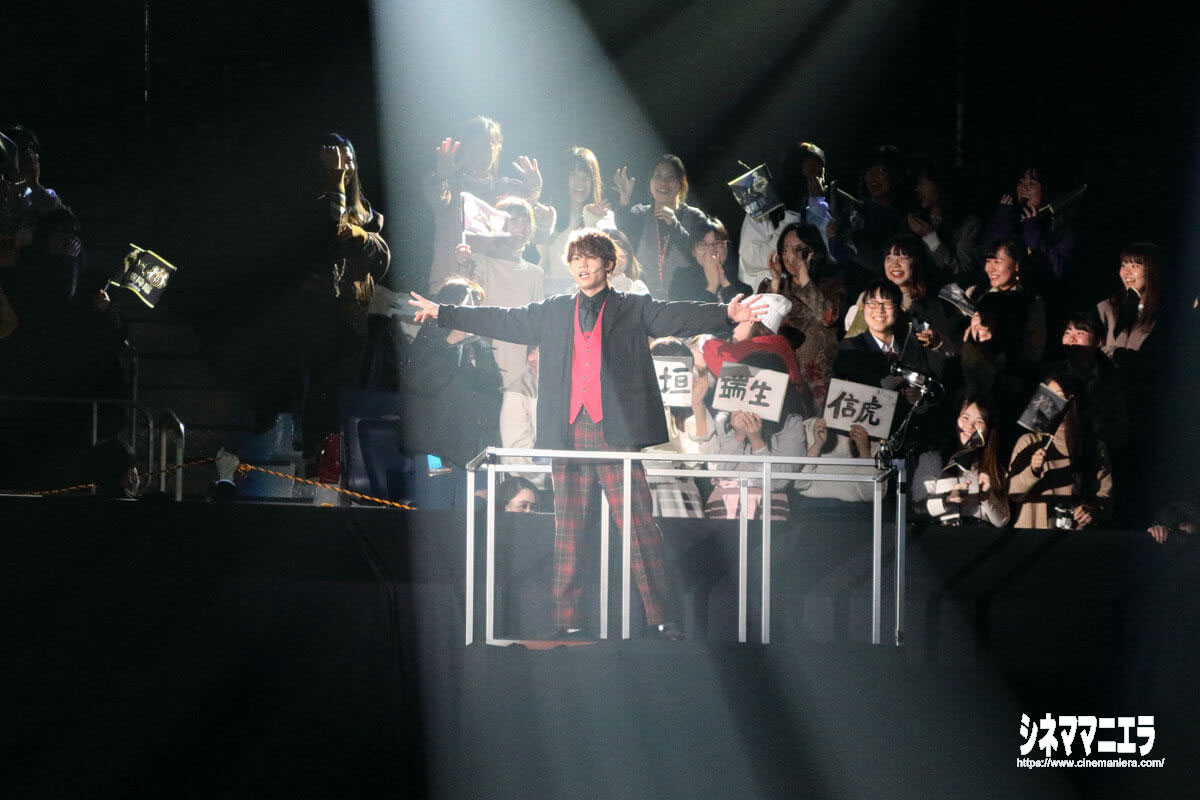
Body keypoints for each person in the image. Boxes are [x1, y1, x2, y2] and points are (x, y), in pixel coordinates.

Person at [409, 228, 767, 639]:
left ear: (609, 265)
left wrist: (726, 315)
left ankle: (663, 617)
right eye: (575, 258)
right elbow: (502, 319)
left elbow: (675, 314)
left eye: (590, 257)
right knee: (569, 529)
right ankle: (567, 620)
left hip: (616, 431)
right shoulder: (554, 310)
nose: (581, 264)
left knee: (638, 526)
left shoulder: (632, 307)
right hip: (568, 432)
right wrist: (444, 313)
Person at [297, 133, 390, 458]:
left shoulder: (367, 215)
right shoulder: (309, 203)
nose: (344, 167)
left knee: (347, 393)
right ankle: (313, 457)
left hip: (353, 314)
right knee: (316, 390)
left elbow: (382, 260)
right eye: (336, 159)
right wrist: (335, 185)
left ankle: (340, 460)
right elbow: (327, 233)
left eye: (348, 160)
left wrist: (364, 237)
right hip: (314, 313)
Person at [1008, 376, 1113, 529]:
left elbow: (1106, 500)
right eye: (1048, 395)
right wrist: (1033, 470)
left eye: (1059, 396)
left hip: (1073, 536)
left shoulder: (1094, 447)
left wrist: (1093, 510)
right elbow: (1011, 493)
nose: (1052, 403)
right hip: (1032, 535)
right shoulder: (1029, 442)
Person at [757, 222, 843, 408]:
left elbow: (828, 317)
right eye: (786, 249)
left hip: (818, 379)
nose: (791, 257)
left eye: (798, 250)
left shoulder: (831, 285)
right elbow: (761, 332)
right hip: (780, 376)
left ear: (814, 252)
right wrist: (775, 283)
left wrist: (803, 275)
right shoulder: (771, 286)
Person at [612, 154, 707, 297]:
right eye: (657, 176)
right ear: (650, 182)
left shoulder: (695, 217)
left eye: (670, 177)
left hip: (685, 301)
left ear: (681, 183)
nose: (663, 182)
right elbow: (622, 238)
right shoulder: (640, 214)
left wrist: (675, 226)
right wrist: (624, 200)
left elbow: (704, 258)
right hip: (644, 301)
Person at [912, 397, 1010, 526]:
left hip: (980, 534)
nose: (970, 426)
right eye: (965, 418)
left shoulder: (993, 467)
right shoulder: (933, 459)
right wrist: (947, 498)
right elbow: (917, 508)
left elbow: (1002, 521)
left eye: (979, 421)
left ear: (989, 430)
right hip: (942, 534)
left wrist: (987, 496)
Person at [668, 215, 750, 303]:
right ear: (693, 251)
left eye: (718, 243)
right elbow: (688, 311)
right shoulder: (681, 280)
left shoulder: (743, 288)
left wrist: (726, 284)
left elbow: (744, 310)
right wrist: (712, 286)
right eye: (703, 244)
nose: (711, 250)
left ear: (726, 248)